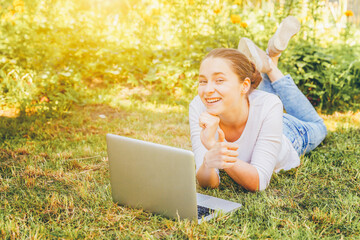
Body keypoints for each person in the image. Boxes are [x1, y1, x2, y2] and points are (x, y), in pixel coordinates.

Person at [189, 16, 327, 191]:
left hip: (287, 132)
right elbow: (209, 182)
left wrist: (218, 151)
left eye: (219, 80)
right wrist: (208, 160)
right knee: (259, 100)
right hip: (255, 110)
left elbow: (258, 182)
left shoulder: (269, 105)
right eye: (203, 81)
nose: (207, 90)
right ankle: (270, 59)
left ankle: (269, 66)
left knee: (319, 126)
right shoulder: (199, 106)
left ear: (245, 85)